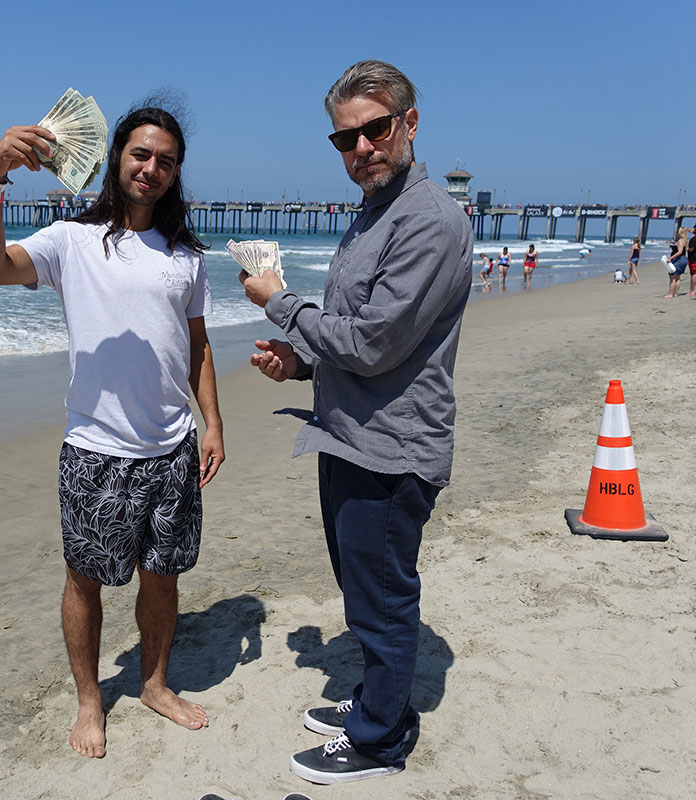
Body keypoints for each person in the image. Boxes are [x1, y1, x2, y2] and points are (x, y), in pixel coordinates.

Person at [238, 59, 472, 785]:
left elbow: (374, 342)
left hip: (392, 448)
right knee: (363, 591)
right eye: (346, 140)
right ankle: (377, 702)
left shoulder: (430, 218)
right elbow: (356, 332)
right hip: (349, 434)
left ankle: (379, 740)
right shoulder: (376, 213)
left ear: (407, 123)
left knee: (382, 598)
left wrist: (279, 301)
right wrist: (302, 364)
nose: (362, 148)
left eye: (374, 130)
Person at [0, 104, 224, 760]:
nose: (152, 169)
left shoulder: (187, 256)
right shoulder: (72, 241)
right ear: (117, 157)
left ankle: (154, 684)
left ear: (176, 173)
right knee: (84, 580)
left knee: (162, 578)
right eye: (142, 155)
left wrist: (213, 422)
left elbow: (196, 344)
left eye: (166, 161)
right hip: (96, 451)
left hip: (172, 447)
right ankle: (90, 699)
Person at [665, 228, 688, 298]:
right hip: (683, 259)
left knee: (673, 277)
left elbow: (680, 252)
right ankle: (675, 293)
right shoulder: (685, 241)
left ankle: (671, 293)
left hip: (678, 259)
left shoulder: (680, 241)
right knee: (677, 277)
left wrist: (670, 258)